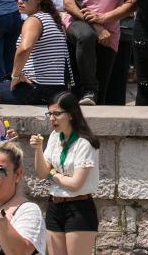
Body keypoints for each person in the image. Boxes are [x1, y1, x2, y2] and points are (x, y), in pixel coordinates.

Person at [30, 92, 100, 255]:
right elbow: (41, 173)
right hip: (55, 205)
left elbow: (76, 184)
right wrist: (38, 149)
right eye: (50, 114)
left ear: (70, 114)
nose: (52, 118)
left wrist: (53, 174)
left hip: (79, 207)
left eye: (57, 113)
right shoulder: (55, 137)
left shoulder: (84, 143)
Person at [0, 0, 73, 105]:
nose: (20, 2)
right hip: (57, 89)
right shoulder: (52, 18)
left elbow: (24, 48)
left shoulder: (34, 20)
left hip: (38, 88)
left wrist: (15, 76)